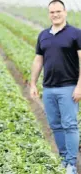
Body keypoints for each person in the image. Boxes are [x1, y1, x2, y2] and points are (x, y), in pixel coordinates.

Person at [30, 0, 81, 173]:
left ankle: (72, 164)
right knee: (55, 125)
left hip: (69, 87)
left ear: (65, 12)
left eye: (58, 11)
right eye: (52, 12)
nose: (55, 15)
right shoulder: (43, 35)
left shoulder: (76, 34)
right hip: (48, 88)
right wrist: (32, 84)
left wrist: (80, 86)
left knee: (70, 125)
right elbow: (38, 60)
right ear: (48, 14)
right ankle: (64, 159)